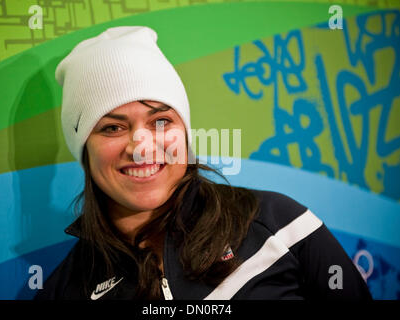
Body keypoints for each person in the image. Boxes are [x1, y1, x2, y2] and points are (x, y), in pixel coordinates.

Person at [35, 26, 372, 300]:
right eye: (112, 127)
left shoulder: (280, 224)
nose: (141, 146)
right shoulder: (62, 291)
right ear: (84, 149)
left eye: (161, 121)